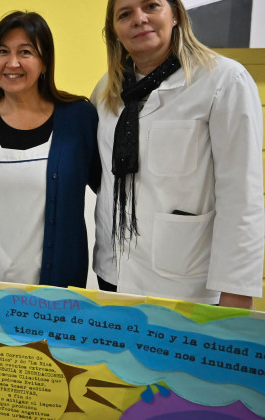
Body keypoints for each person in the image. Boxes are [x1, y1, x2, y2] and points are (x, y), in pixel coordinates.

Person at [92, 0, 263, 308]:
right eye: (125, 14)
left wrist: (236, 289)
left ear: (175, 15)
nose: (139, 19)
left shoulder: (223, 80)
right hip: (113, 274)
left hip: (188, 281)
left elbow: (241, 195)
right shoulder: (106, 90)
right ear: (114, 31)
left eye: (151, 6)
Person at [0, 11, 100, 287]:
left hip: (59, 290)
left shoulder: (79, 119)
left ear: (45, 61)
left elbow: (107, 190)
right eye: (3, 51)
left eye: (25, 52)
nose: (12, 63)